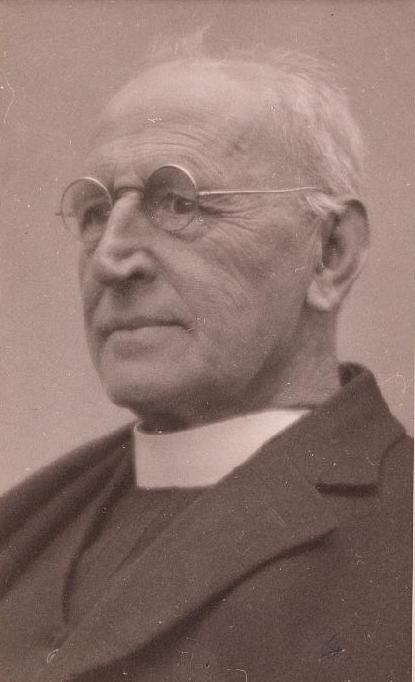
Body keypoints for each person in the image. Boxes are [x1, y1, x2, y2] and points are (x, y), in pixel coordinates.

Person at [0, 45, 412, 682]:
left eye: (178, 203)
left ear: (329, 254)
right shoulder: (24, 522)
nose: (110, 260)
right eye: (95, 213)